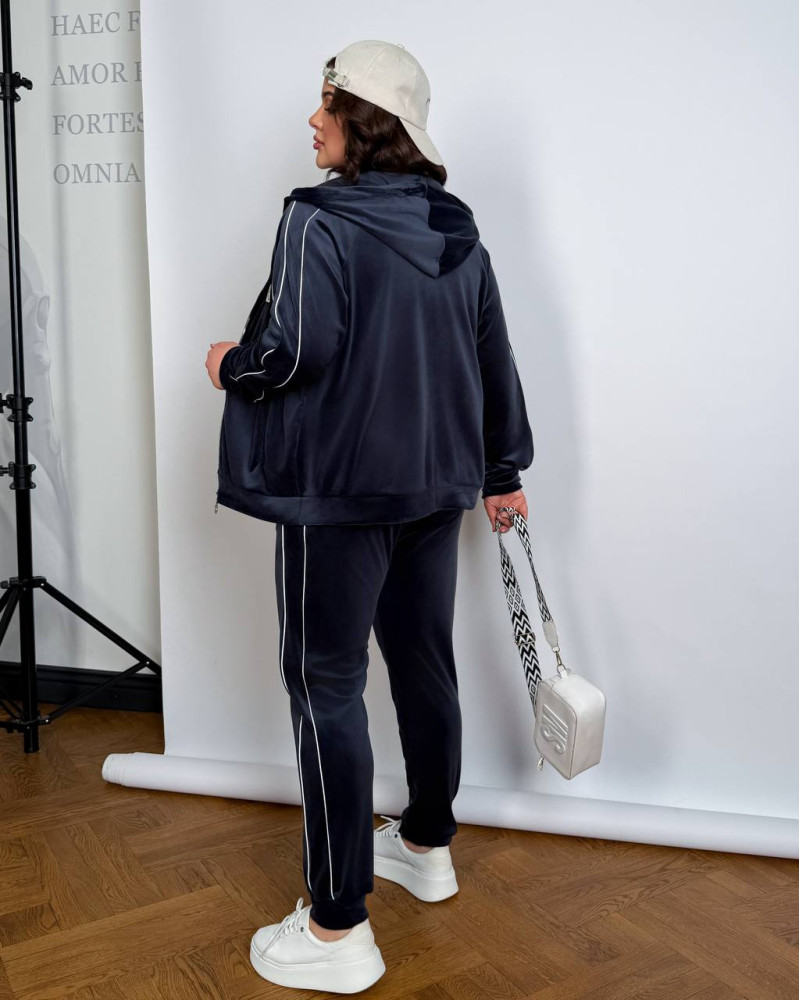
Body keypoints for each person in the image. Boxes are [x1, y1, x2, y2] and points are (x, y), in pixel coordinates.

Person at [205, 39, 533, 994]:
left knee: (326, 686)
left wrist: (230, 365)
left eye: (326, 105)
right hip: (435, 488)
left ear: (363, 121)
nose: (312, 122)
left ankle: (335, 924)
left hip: (338, 494)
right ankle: (425, 844)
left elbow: (294, 353)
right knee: (423, 662)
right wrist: (500, 470)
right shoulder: (457, 229)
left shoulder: (318, 219)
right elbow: (491, 356)